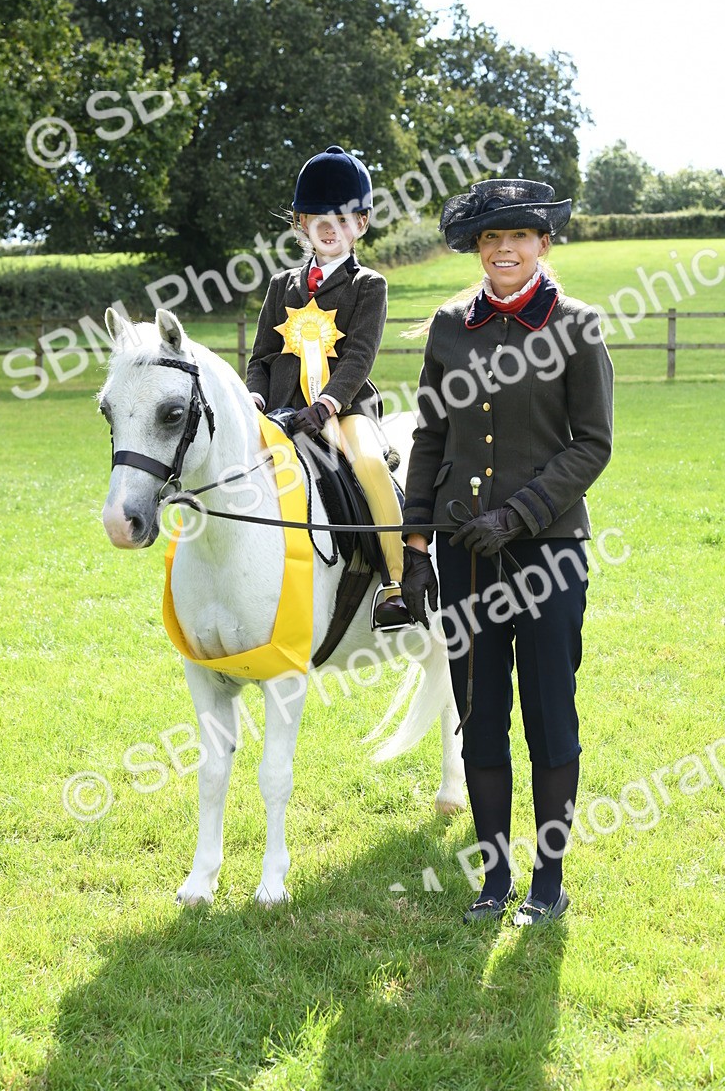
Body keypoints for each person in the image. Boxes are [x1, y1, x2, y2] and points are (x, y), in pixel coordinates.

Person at [401, 178, 614, 925]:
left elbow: (593, 444)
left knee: (550, 712)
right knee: (478, 711)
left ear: (543, 245)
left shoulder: (579, 327)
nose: (503, 250)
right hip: (464, 555)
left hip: (548, 552)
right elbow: (429, 437)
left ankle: (548, 881)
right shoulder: (447, 327)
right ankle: (494, 878)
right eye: (491, 239)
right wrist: (417, 543)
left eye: (518, 237)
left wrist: (522, 513)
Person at [246, 144, 408, 627]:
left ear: (361, 224)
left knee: (371, 466)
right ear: (301, 224)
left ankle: (396, 582)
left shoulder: (369, 286)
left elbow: (360, 355)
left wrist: (329, 402)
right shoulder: (280, 286)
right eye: (317, 218)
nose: (329, 228)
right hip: (279, 411)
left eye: (342, 218)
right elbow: (260, 357)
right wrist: (253, 394)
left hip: (344, 409)